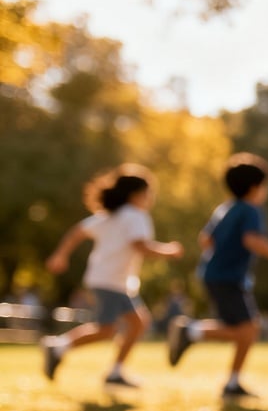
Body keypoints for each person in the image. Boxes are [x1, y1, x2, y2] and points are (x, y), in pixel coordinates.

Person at [167, 153, 268, 398]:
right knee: (248, 329)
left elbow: (205, 239)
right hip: (228, 278)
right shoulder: (251, 210)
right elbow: (252, 239)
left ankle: (231, 381)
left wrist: (224, 253)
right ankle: (192, 334)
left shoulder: (225, 209)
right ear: (255, 187)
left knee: (243, 329)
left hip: (213, 274)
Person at [41, 164, 184, 386]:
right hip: (110, 281)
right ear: (137, 194)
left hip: (109, 280)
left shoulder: (108, 216)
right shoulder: (135, 216)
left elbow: (76, 233)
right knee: (107, 329)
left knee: (138, 323)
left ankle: (115, 371)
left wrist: (61, 255)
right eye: (149, 192)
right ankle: (58, 347)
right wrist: (169, 251)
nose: (150, 198)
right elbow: (140, 246)